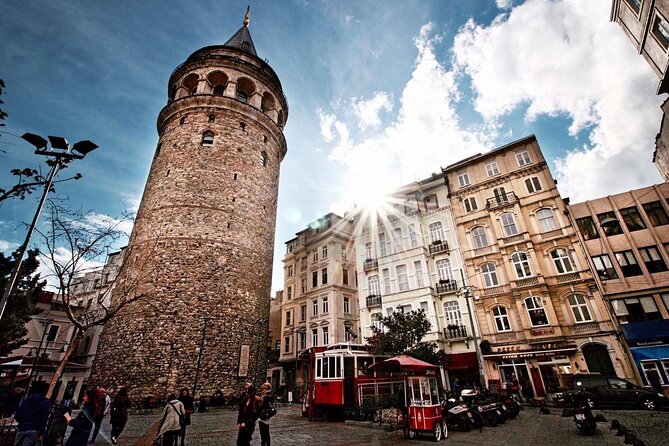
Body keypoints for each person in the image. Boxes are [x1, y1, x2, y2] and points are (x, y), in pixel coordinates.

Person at [14, 381, 50, 446]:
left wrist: (22, 423)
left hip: (21, 428)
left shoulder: (27, 399)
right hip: (33, 429)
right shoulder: (45, 402)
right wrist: (42, 433)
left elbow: (17, 415)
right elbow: (43, 419)